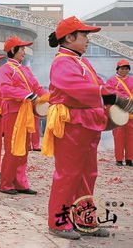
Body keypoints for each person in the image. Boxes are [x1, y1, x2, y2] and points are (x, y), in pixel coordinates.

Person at [45, 16, 112, 239]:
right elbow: (77, 87)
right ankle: (59, 222)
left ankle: (85, 220)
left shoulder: (80, 61)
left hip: (87, 123)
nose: (87, 40)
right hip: (72, 123)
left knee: (88, 173)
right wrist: (106, 94)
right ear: (69, 37)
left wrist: (113, 95)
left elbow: (97, 85)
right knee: (68, 173)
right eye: (84, 35)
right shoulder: (63, 61)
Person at [0, 37, 47, 195]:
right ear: (13, 51)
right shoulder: (5, 69)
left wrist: (49, 98)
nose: (24, 52)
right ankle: (6, 183)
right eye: (22, 49)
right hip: (13, 111)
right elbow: (5, 89)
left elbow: (37, 87)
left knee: (24, 148)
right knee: (13, 147)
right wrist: (27, 95)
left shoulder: (25, 69)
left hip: (26, 111)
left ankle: (20, 182)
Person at [106, 60, 133, 166]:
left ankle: (130, 159)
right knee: (118, 135)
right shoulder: (111, 80)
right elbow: (108, 94)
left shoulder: (132, 80)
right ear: (117, 69)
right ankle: (119, 159)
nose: (124, 70)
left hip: (130, 110)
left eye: (126, 68)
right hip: (118, 111)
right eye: (122, 68)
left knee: (131, 136)